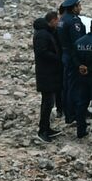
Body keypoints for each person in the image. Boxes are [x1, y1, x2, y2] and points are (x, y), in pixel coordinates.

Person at [33, 11, 63, 142]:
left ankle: (46, 127)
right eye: (57, 20)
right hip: (46, 73)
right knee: (47, 102)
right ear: (52, 20)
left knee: (49, 102)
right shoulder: (42, 35)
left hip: (50, 73)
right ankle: (42, 131)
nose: (58, 23)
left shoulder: (47, 32)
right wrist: (58, 58)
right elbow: (42, 52)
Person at [58, 0, 84, 126]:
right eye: (78, 5)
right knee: (73, 86)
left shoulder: (62, 19)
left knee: (67, 85)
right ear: (74, 8)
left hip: (65, 54)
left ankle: (69, 111)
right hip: (73, 57)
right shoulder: (73, 21)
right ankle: (72, 114)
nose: (80, 8)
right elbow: (78, 42)